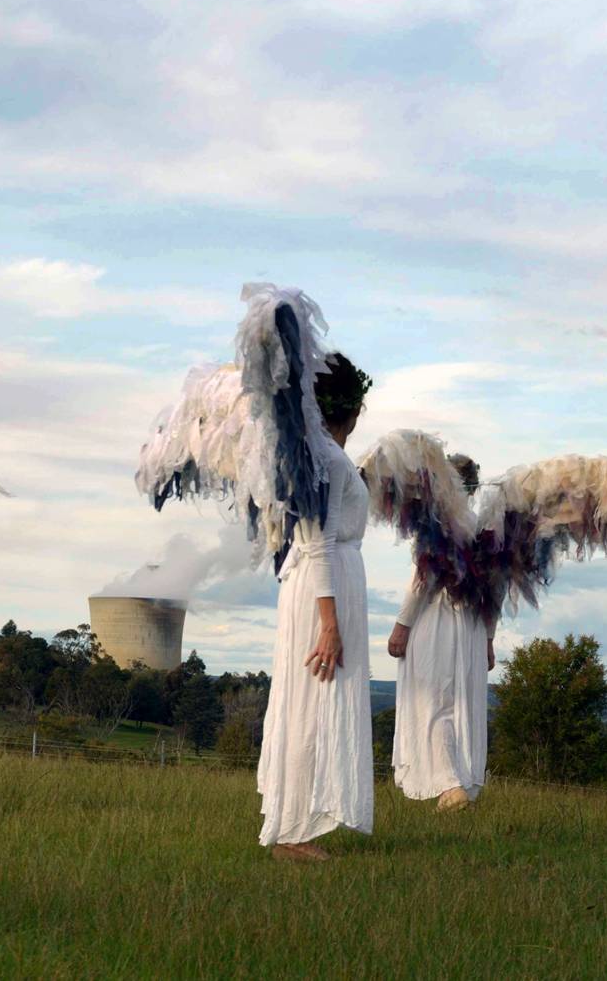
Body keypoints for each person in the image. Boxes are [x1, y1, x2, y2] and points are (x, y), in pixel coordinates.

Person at [257, 353, 375, 862]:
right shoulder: (325, 455)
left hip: (321, 581)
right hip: (322, 587)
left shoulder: (319, 452)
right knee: (310, 701)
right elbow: (318, 539)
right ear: (349, 407)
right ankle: (292, 831)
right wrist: (329, 624)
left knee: (312, 700)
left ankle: (297, 823)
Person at [387, 453, 495, 812]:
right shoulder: (485, 530)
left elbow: (423, 578)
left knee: (434, 703)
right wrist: (490, 639)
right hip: (473, 627)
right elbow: (497, 590)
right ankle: (455, 783)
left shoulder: (441, 525)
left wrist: (402, 625)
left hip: (438, 621)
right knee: (458, 703)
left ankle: (450, 785)